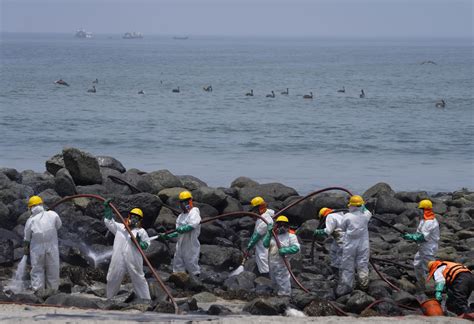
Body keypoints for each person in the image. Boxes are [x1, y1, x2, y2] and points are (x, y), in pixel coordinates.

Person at [103, 202, 151, 300]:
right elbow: (109, 222)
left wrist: (138, 242)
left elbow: (146, 245)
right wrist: (108, 211)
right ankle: (109, 298)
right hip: (118, 257)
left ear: (140, 220)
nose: (134, 219)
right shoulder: (120, 228)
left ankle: (146, 300)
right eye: (132, 216)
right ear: (129, 216)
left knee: (139, 278)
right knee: (113, 277)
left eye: (136, 218)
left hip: (133, 258)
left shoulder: (141, 232)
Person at [23, 195, 62, 293]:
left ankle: (38, 292)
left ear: (31, 207)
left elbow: (27, 238)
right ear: (42, 204)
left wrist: (25, 248)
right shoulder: (53, 215)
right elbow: (59, 225)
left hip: (36, 249)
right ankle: (52, 291)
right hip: (52, 246)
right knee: (53, 269)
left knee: (37, 270)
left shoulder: (30, 220)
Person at [336, 195, 372, 296]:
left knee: (347, 265)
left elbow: (342, 228)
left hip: (350, 244)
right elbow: (368, 212)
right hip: (363, 243)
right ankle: (364, 285)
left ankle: (347, 286)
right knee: (363, 263)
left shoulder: (347, 216)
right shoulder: (366, 216)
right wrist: (363, 207)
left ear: (351, 205)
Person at [402, 199, 439, 291]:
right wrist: (412, 236)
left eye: (421, 209)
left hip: (428, 249)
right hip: (422, 248)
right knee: (417, 264)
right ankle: (422, 284)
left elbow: (422, 237)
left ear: (425, 210)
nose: (419, 211)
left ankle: (436, 287)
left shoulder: (430, 222)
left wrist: (410, 237)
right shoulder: (424, 220)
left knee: (430, 269)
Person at [164, 191, 201, 276]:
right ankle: (179, 279)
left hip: (190, 243)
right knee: (178, 261)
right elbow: (177, 231)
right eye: (183, 202)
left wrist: (184, 228)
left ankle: (196, 281)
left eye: (187, 202)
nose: (185, 204)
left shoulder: (194, 212)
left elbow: (193, 224)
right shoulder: (180, 217)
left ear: (191, 201)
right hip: (180, 243)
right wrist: (168, 236)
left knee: (191, 261)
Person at [262, 215, 300, 296]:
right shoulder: (273, 236)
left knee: (283, 279)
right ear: (276, 225)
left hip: (282, 263)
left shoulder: (291, 236)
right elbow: (265, 244)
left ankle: (285, 295)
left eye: (284, 225)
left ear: (288, 226)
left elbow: (296, 248)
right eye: (280, 225)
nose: (282, 227)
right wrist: (268, 233)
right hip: (272, 262)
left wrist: (286, 250)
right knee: (273, 280)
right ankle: (276, 295)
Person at [246, 196, 274, 277]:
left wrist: (249, 246)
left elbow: (256, 236)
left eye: (254, 210)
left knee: (263, 259)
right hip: (265, 243)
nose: (253, 212)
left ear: (260, 208)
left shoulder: (265, 220)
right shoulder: (264, 215)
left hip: (264, 245)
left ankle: (266, 278)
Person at [313, 207, 345, 275]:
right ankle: (335, 267)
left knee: (340, 253)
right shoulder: (339, 214)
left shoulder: (330, 216)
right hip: (341, 236)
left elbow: (328, 231)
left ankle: (339, 271)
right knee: (334, 250)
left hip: (341, 237)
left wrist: (319, 231)